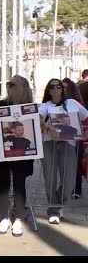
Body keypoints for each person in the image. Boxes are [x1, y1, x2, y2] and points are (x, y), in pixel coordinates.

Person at [39, 78, 88, 224]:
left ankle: (58, 202)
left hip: (68, 144)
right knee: (50, 179)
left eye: (58, 86)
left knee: (70, 182)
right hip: (49, 144)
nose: (55, 89)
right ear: (48, 90)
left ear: (63, 89)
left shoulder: (72, 104)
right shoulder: (45, 106)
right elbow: (37, 118)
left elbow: (86, 118)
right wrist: (49, 128)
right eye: (52, 87)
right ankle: (54, 210)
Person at [0, 75, 34, 237]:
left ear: (22, 87)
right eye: (8, 84)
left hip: (22, 153)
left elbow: (34, 129)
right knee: (3, 184)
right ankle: (4, 218)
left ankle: (18, 220)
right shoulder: (1, 105)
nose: (9, 87)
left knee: (19, 186)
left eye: (12, 84)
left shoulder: (31, 107)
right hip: (3, 151)